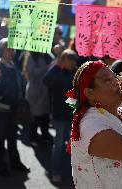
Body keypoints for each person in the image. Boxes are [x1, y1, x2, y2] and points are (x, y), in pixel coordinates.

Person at [0, 38, 30, 176]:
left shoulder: (13, 65)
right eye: (8, 49)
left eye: (13, 49)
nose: (11, 52)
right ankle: (0, 167)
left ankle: (15, 163)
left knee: (12, 138)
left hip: (13, 110)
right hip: (0, 110)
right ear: (2, 51)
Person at [43, 49, 78, 182]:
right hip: (59, 114)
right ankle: (55, 171)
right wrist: (56, 65)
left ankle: (67, 171)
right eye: (70, 60)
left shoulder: (74, 72)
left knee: (68, 144)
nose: (73, 63)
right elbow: (45, 81)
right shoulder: (56, 70)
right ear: (63, 60)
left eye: (74, 60)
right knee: (58, 145)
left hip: (71, 114)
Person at [25, 52, 52, 145]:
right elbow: (32, 72)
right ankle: (33, 137)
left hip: (44, 91)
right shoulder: (31, 57)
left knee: (45, 116)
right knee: (34, 116)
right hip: (35, 91)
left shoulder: (46, 55)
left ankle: (45, 135)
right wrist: (46, 68)